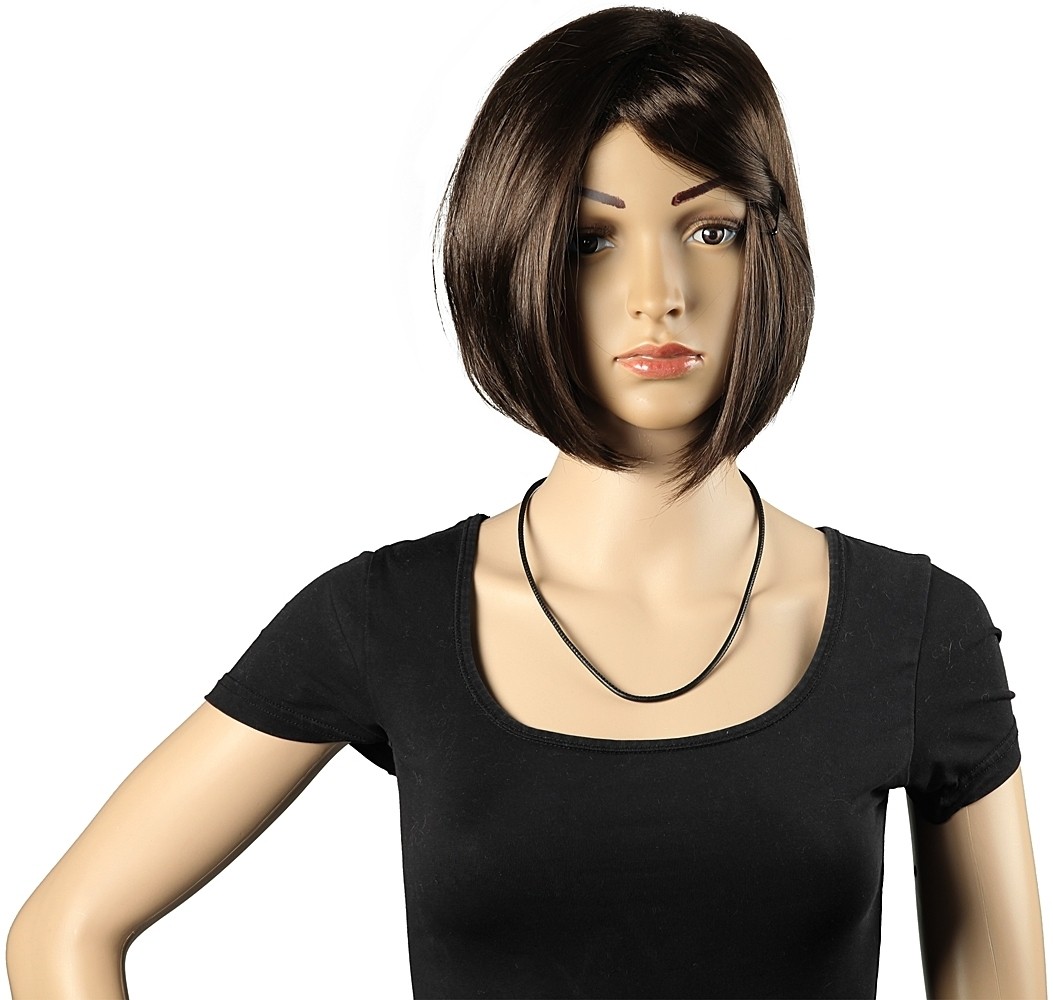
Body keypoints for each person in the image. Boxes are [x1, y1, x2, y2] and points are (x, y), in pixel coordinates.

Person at [6, 7, 1045, 999]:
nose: (658, 292)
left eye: (710, 230)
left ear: (768, 247)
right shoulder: (386, 619)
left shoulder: (917, 636)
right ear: (514, 253)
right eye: (592, 240)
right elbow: (63, 933)